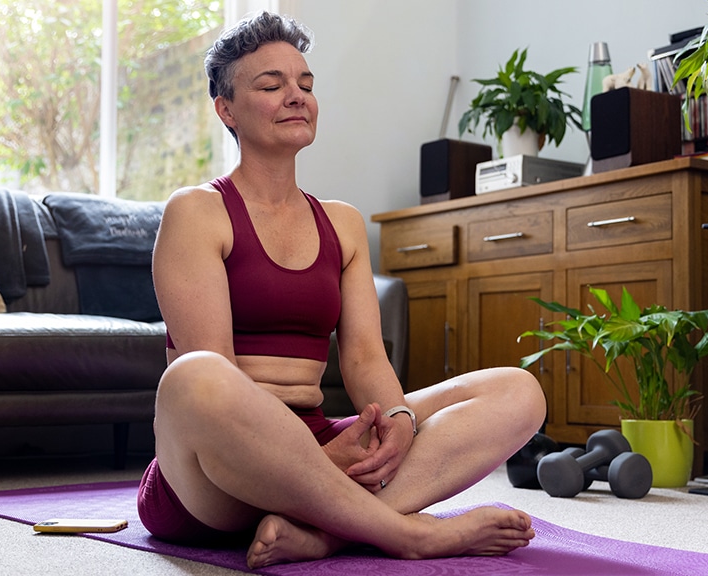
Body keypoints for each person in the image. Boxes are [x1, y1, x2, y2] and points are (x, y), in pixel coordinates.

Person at [138, 11, 547, 569]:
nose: (296, 96)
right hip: (216, 477)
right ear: (226, 108)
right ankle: (406, 534)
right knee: (194, 376)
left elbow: (363, 359)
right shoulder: (197, 212)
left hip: (322, 444)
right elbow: (221, 375)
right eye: (271, 84)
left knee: (518, 390)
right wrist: (316, 458)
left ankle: (328, 534)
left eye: (305, 84)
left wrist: (397, 420)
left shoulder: (343, 224)